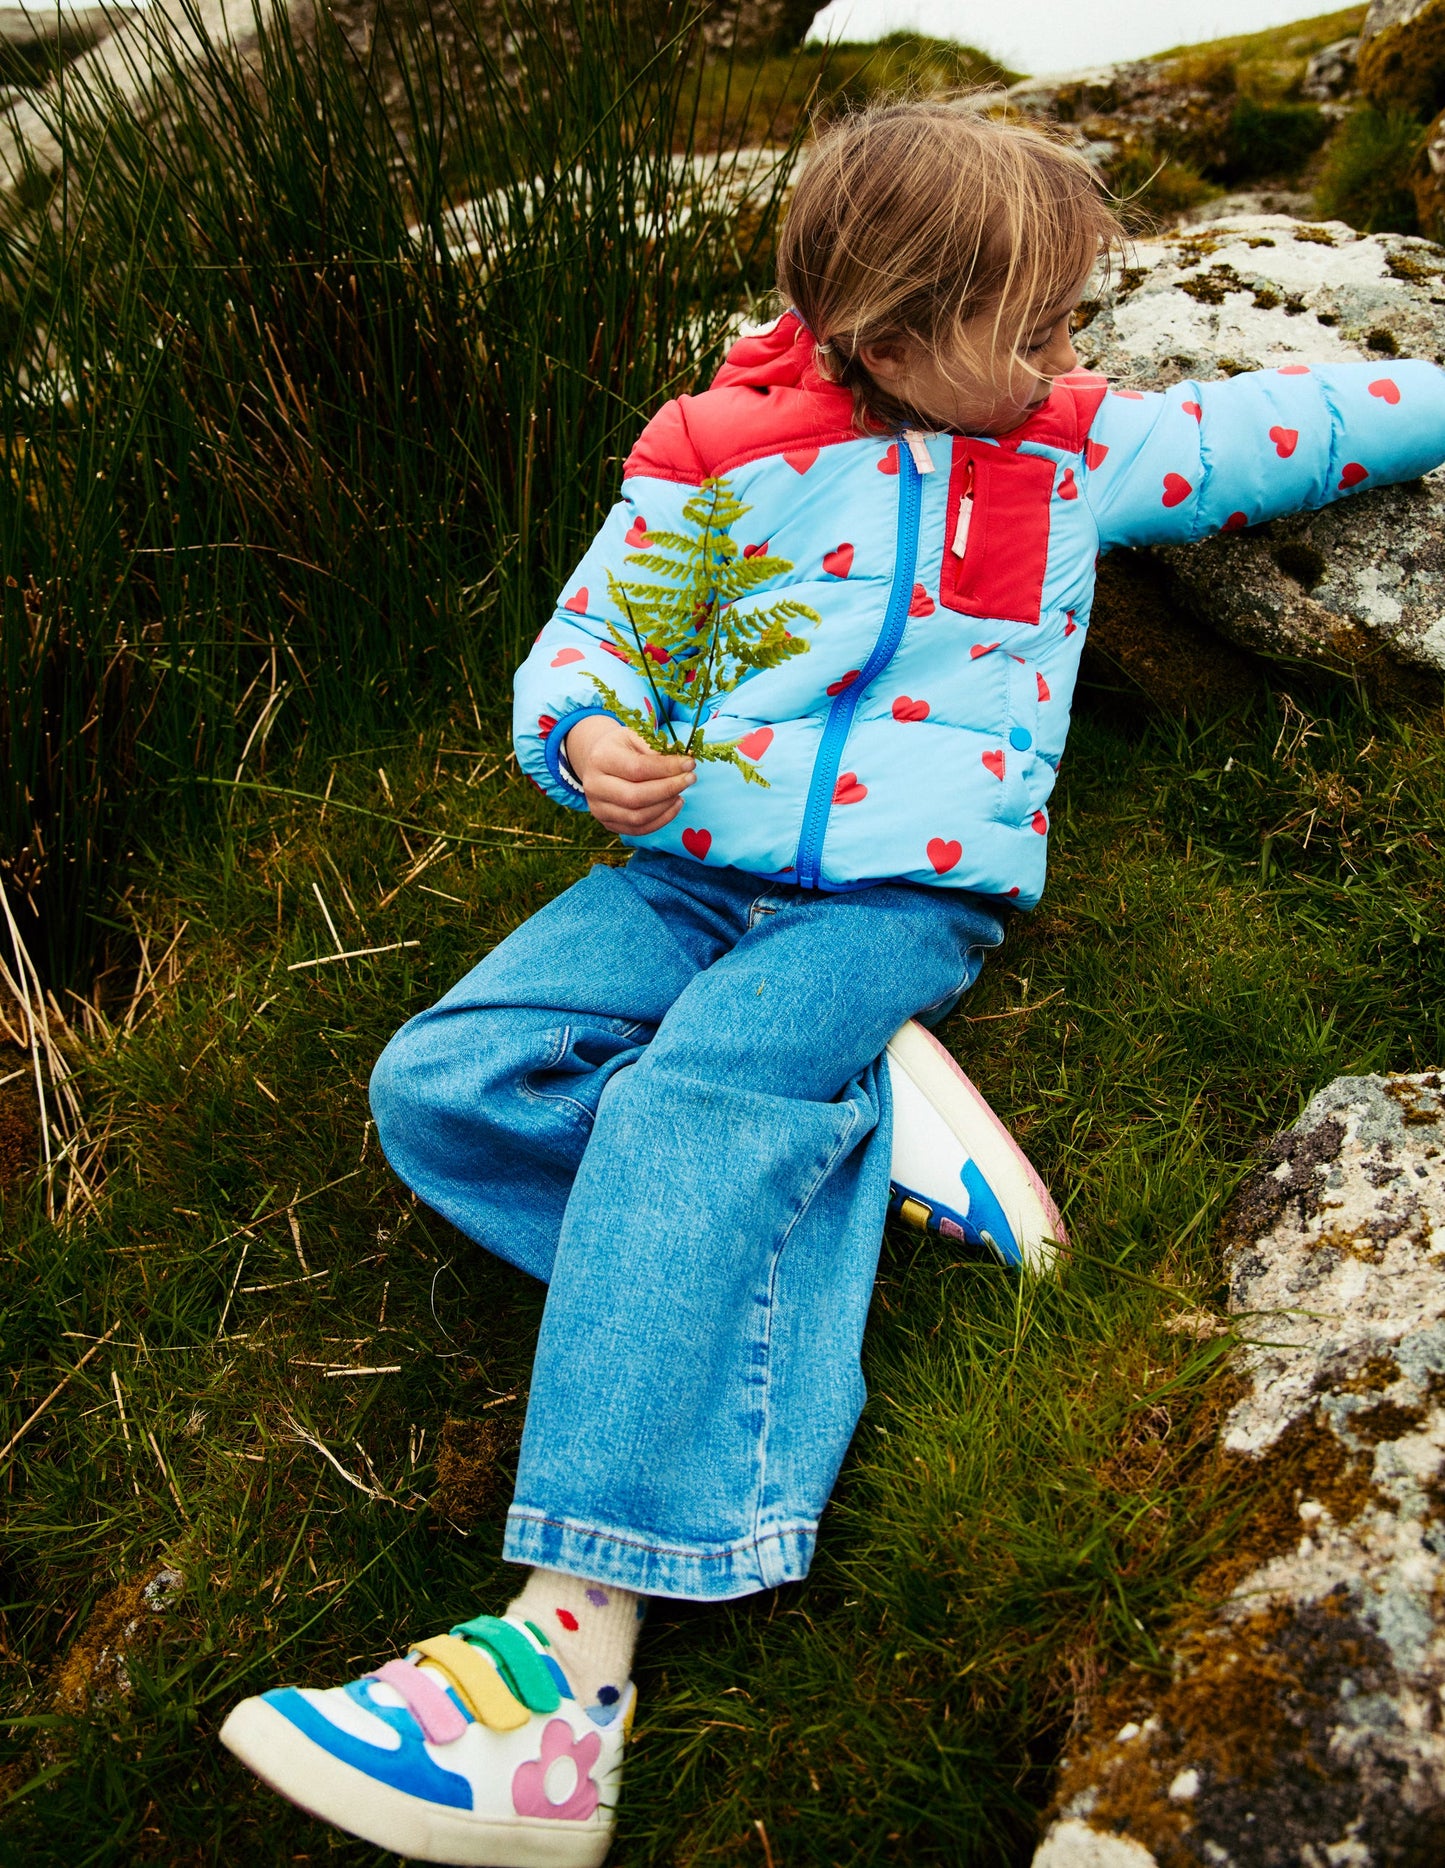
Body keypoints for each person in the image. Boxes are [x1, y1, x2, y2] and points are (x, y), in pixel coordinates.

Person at [219, 100, 1445, 1866]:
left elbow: (1284, 427)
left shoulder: (1068, 450)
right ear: (886, 331)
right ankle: (844, 1168)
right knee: (445, 1082)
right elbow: (589, 644)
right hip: (679, 872)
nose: (1060, 356)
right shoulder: (720, 456)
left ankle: (553, 1688)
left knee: (686, 1110)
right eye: (1026, 328)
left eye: (1064, 327)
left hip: (890, 910)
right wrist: (585, 743)